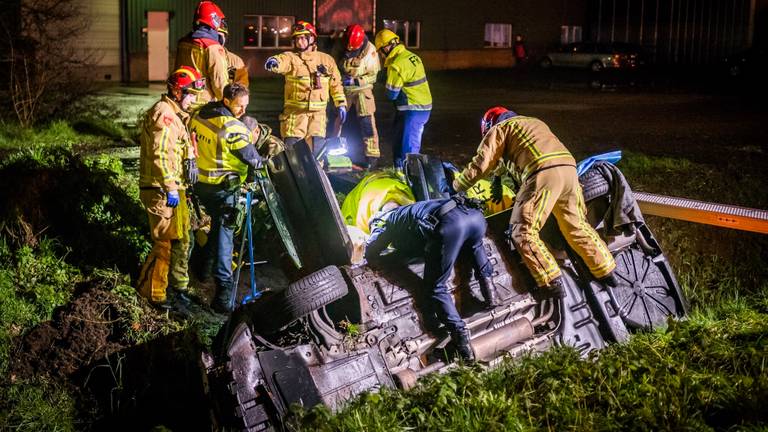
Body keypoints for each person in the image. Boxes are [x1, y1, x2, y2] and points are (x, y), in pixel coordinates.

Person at [452, 107, 617, 296]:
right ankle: (606, 270)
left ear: (489, 126)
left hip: (542, 173)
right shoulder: (533, 122)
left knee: (522, 231)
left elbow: (482, 163)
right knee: (576, 225)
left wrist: (457, 186)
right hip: (569, 170)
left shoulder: (499, 129)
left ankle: (550, 281)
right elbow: (500, 165)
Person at [364, 197, 500, 362]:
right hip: (475, 218)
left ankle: (461, 338)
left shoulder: (382, 219)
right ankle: (491, 294)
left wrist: (373, 237)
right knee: (475, 246)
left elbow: (371, 251)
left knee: (435, 287)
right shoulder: (416, 207)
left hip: (451, 226)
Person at [188, 83, 263, 313]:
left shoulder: (200, 114)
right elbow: (254, 160)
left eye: (246, 105)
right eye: (240, 105)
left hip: (200, 185)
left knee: (218, 229)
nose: (243, 110)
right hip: (223, 190)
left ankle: (201, 268)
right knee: (225, 237)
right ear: (227, 101)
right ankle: (223, 296)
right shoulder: (233, 128)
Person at [136, 66, 205, 309]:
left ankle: (179, 289)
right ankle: (154, 295)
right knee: (164, 244)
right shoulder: (164, 114)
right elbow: (160, 155)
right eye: (191, 94)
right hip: (160, 190)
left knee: (183, 240)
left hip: (177, 189)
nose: (194, 99)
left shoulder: (177, 116)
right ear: (177, 92)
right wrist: (170, 187)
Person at [264, 20, 347, 155]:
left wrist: (341, 104)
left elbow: (336, 84)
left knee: (318, 155)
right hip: (294, 117)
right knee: (292, 156)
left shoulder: (326, 60)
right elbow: (282, 60)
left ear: (312, 38)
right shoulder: (291, 58)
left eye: (303, 37)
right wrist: (274, 62)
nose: (300, 41)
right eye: (297, 38)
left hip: (318, 118)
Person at [374, 29, 432, 169]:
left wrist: (384, 81)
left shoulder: (396, 65)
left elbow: (391, 94)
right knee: (399, 142)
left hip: (412, 109)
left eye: (380, 51)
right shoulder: (412, 56)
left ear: (387, 47)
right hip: (420, 107)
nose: (381, 55)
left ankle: (410, 178)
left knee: (408, 149)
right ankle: (400, 172)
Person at [339, 24, 381, 168]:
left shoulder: (371, 51)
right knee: (338, 119)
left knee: (367, 122)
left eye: (353, 48)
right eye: (348, 47)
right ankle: (334, 153)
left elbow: (373, 76)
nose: (350, 50)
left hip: (362, 89)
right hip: (344, 89)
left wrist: (355, 80)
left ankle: (371, 157)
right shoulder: (341, 44)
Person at [175, 1, 229, 106]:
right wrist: (229, 105)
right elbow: (220, 84)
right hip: (204, 106)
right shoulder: (213, 48)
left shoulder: (183, 43)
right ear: (215, 21)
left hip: (182, 101)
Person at [217, 19, 249, 88]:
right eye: (211, 37)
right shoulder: (197, 57)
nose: (215, 40)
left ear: (225, 38)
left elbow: (241, 90)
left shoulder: (236, 61)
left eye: (218, 36)